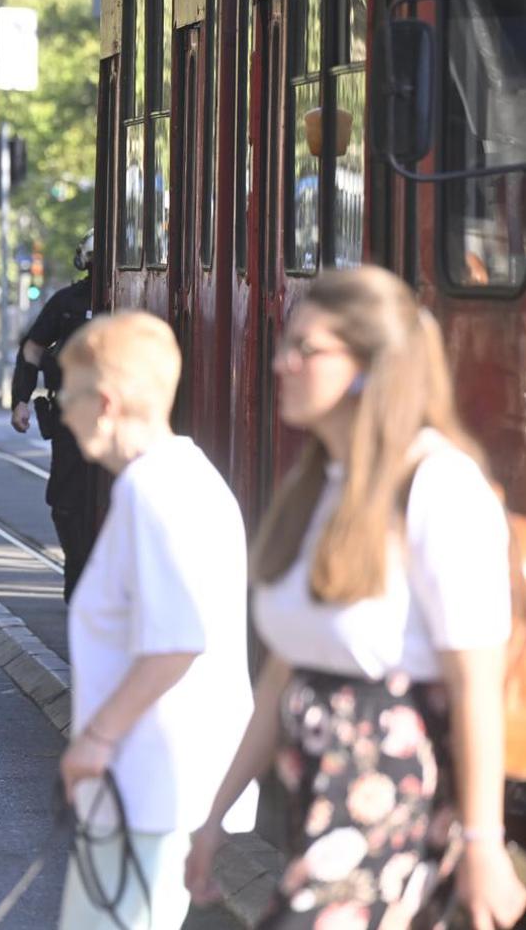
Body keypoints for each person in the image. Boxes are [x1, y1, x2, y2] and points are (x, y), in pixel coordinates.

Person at [186, 268, 526, 930]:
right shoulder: (317, 488)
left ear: (372, 367)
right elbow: (284, 675)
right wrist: (215, 818)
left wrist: (485, 846)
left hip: (395, 809)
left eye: (306, 349)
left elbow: (474, 681)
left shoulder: (438, 486)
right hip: (323, 812)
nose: (280, 363)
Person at [50, 310, 256, 930]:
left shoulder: (151, 491)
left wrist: (95, 739)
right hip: (161, 781)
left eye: (69, 393)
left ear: (106, 401)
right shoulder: (188, 477)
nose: (61, 411)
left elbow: (175, 641)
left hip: (147, 780)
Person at [11, 230, 101, 600]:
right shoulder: (66, 303)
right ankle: (78, 572)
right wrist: (21, 398)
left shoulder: (126, 298)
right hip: (71, 419)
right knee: (66, 503)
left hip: (114, 420)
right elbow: (32, 349)